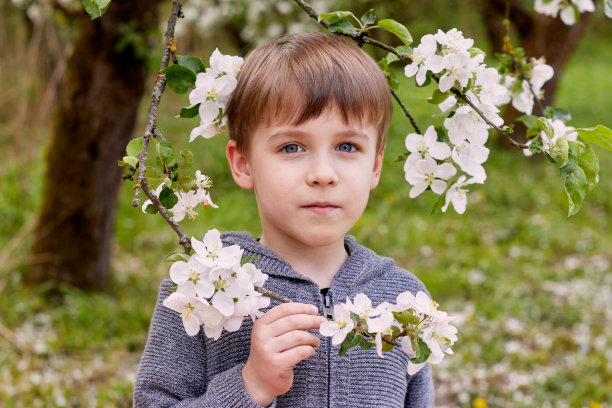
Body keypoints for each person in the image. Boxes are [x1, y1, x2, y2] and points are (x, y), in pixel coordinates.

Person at [134, 32, 434, 407]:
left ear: (375, 166)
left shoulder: (404, 301)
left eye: (347, 147)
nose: (323, 173)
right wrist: (250, 386)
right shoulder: (201, 291)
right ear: (243, 164)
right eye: (292, 147)